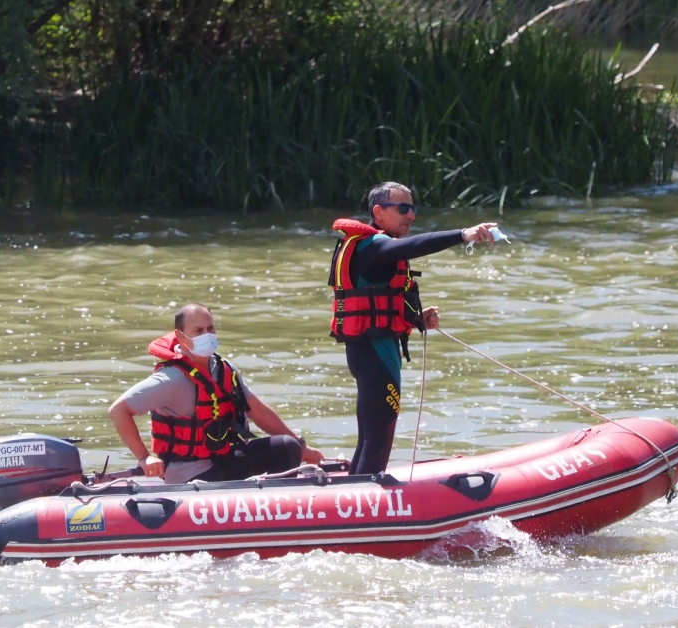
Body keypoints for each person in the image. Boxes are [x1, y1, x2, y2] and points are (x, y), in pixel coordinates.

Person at [328, 181, 497, 474]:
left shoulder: (372, 249)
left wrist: (417, 319)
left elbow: (379, 300)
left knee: (369, 439)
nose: (411, 215)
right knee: (378, 440)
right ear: (378, 212)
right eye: (403, 208)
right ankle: (368, 506)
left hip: (369, 351)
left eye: (413, 208)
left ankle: (352, 493)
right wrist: (462, 234)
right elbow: (416, 245)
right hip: (376, 356)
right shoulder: (375, 246)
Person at [109, 303, 323, 483]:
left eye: (210, 328)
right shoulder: (170, 379)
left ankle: (274, 511)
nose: (207, 335)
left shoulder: (223, 369)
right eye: (198, 331)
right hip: (190, 475)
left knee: (287, 447)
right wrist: (144, 457)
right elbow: (119, 410)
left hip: (224, 460)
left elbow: (258, 412)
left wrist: (302, 447)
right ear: (180, 337)